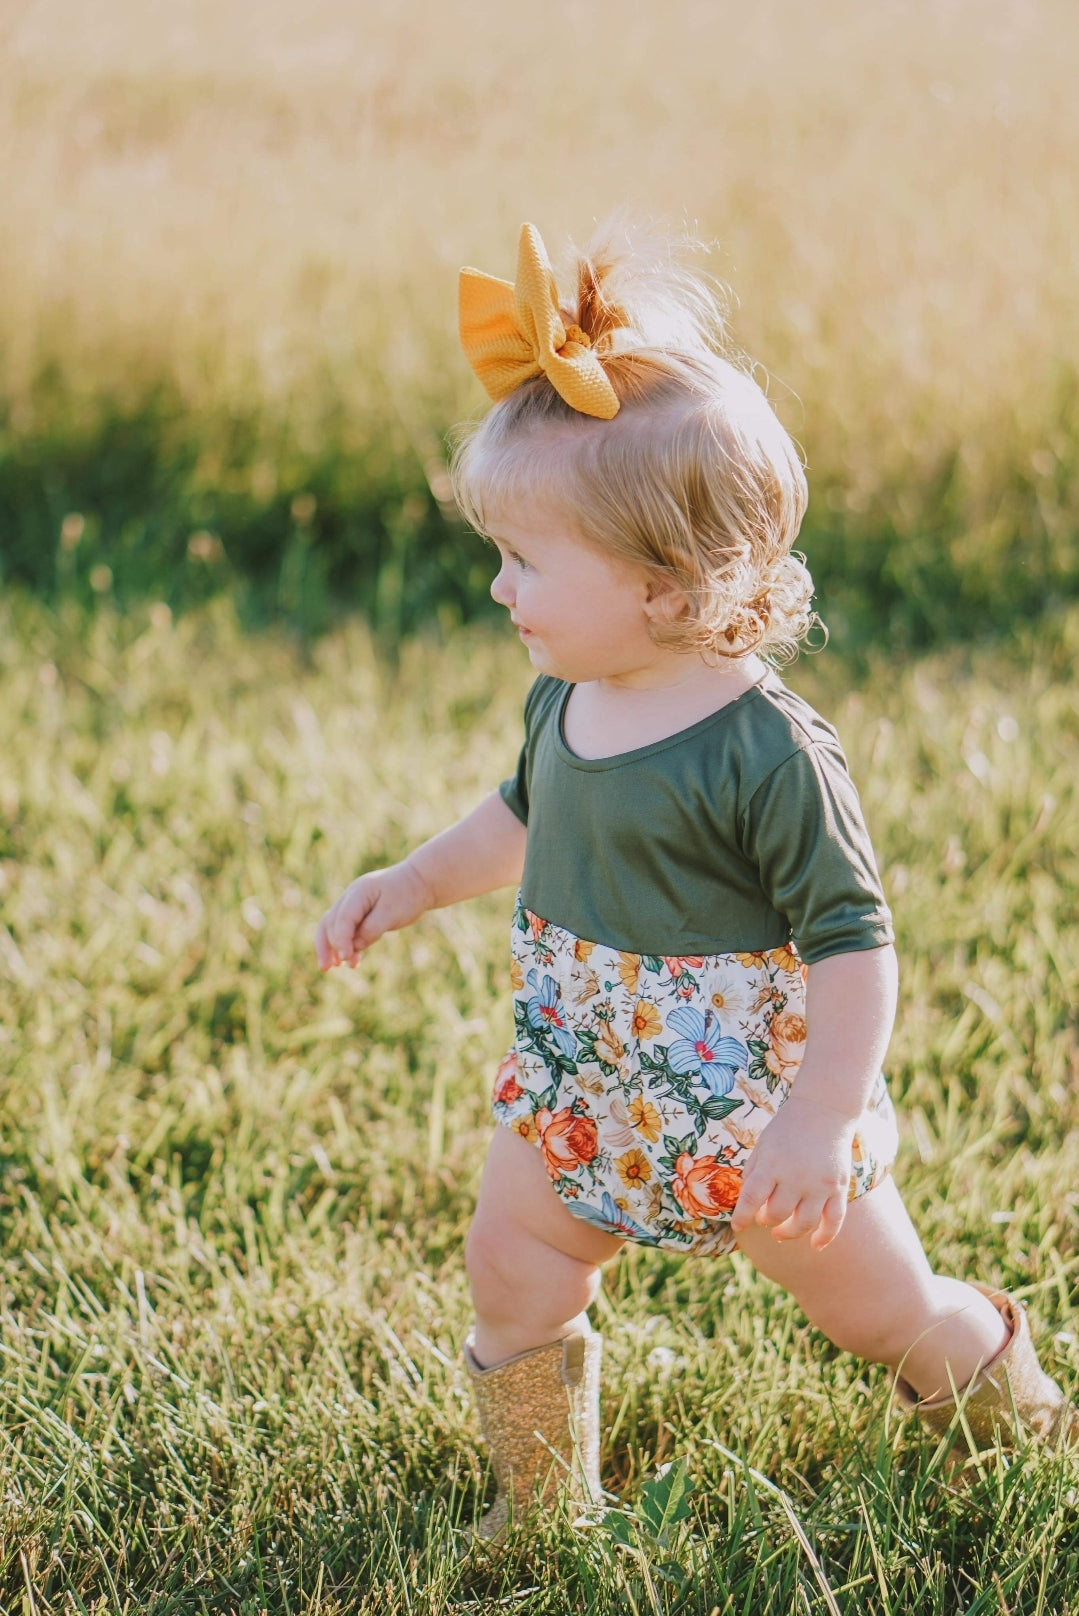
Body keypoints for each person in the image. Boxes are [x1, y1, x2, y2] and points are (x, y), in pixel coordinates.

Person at [314, 222, 1075, 1540]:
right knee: (514, 1258)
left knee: (880, 1309)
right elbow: (523, 820)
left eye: (527, 561)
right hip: (586, 1082)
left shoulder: (764, 748)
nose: (499, 588)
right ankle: (545, 1510)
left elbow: (853, 943)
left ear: (666, 588)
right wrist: (414, 881)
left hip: (755, 1116)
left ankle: (1015, 1409)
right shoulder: (570, 700)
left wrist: (821, 1117)